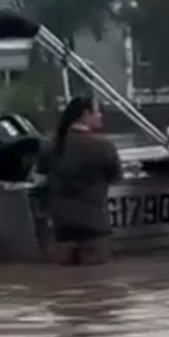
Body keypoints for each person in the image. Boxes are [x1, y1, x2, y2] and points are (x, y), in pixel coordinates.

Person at [37, 95, 121, 265]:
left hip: (62, 228)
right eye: (97, 112)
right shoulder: (104, 147)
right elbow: (116, 177)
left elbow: (40, 179)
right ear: (85, 114)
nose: (100, 116)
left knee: (64, 285)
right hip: (94, 227)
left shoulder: (50, 146)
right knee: (97, 284)